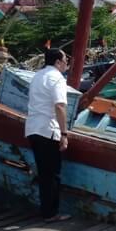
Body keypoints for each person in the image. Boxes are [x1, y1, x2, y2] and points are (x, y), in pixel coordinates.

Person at [24, 47, 71, 221]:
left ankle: (46, 212)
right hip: (48, 130)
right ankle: (51, 213)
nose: (67, 63)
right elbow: (60, 106)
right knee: (52, 173)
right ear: (58, 62)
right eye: (66, 60)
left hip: (32, 128)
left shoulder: (37, 76)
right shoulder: (57, 78)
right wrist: (64, 134)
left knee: (44, 173)